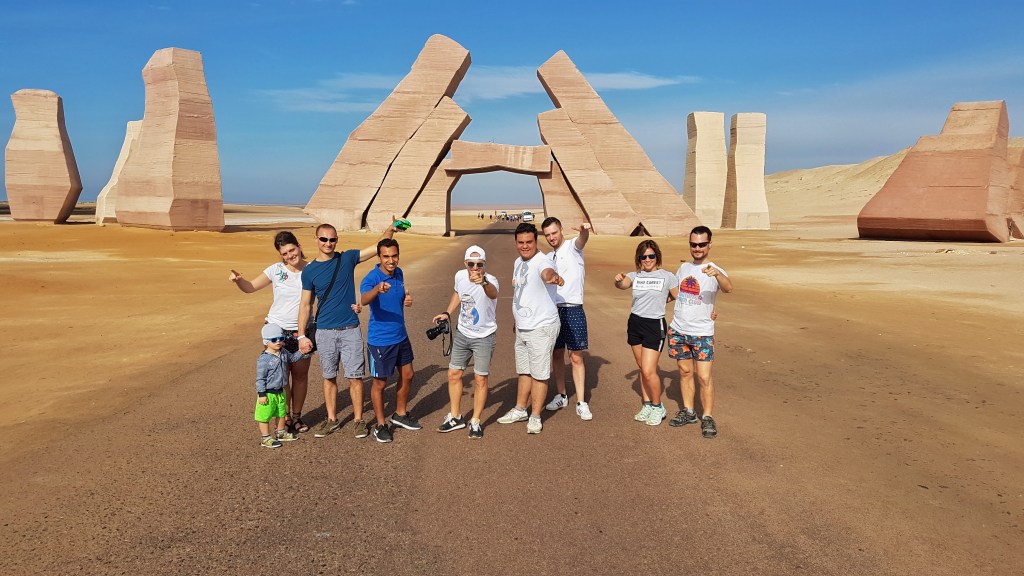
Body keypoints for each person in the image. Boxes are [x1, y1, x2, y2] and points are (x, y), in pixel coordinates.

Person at [297, 222, 397, 440]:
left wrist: (390, 229)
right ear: (316, 239)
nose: (328, 243)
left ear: (337, 240)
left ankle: (358, 420)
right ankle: (332, 419)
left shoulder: (347, 258)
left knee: (355, 377)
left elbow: (376, 247)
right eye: (324, 239)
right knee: (329, 376)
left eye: (332, 239)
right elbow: (305, 304)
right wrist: (301, 335)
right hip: (325, 330)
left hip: (350, 329)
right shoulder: (309, 271)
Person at [229, 231, 313, 433]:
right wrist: (239, 280)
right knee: (280, 376)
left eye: (292, 250)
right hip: (277, 330)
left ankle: (297, 417)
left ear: (299, 246)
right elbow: (250, 287)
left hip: (302, 330)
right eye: (285, 253)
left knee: (300, 375)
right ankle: (284, 418)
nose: (290, 255)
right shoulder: (276, 270)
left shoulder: (312, 269)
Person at [497, 223, 564, 434]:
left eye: (529, 242)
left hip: (541, 327)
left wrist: (552, 277)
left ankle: (535, 416)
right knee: (524, 371)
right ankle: (520, 409)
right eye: (521, 242)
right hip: (524, 326)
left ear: (536, 241)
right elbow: (522, 292)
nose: (525, 246)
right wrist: (518, 319)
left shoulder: (542, 261)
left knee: (539, 374)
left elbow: (546, 273)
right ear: (516, 242)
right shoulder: (518, 261)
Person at [667, 226, 733, 439]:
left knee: (704, 377)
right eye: (693, 244)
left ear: (709, 245)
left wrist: (717, 274)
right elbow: (677, 293)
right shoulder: (684, 268)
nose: (697, 248)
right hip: (679, 329)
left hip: (702, 332)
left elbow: (728, 288)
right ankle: (688, 412)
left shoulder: (715, 270)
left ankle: (707, 416)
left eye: (702, 244)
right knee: (685, 372)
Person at [431, 245, 500, 439]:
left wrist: (483, 282)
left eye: (479, 264)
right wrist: (447, 312)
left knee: (480, 379)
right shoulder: (460, 276)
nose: (475, 268)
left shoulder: (491, 280)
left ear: (484, 264)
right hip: (462, 333)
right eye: (471, 264)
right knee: (453, 374)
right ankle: (455, 417)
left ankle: (475, 421)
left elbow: (493, 293)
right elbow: (458, 293)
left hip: (484, 336)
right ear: (465, 263)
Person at [359, 238, 421, 443]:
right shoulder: (372, 278)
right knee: (380, 382)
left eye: (394, 256)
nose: (391, 260)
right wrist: (377, 289)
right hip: (381, 340)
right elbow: (364, 300)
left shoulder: (399, 273)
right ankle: (380, 425)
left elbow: (398, 296)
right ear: (379, 257)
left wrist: (406, 299)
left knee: (408, 374)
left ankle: (400, 414)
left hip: (400, 335)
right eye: (386, 256)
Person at [614, 240, 679, 426]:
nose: (648, 259)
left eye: (651, 256)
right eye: (644, 256)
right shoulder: (635, 275)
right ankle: (647, 404)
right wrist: (617, 280)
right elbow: (623, 285)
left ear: (657, 256)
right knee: (642, 368)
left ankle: (658, 407)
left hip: (654, 325)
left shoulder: (667, 276)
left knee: (649, 370)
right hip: (635, 323)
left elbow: (678, 296)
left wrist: (663, 300)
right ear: (639, 258)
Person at [541, 217, 593, 420]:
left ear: (561, 230)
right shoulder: (548, 257)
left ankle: (581, 402)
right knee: (556, 354)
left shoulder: (573, 247)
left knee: (576, 357)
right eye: (548, 235)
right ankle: (561, 395)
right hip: (553, 311)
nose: (552, 237)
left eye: (554, 233)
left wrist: (584, 230)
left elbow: (582, 239)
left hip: (573, 309)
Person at [254, 324, 304, 448]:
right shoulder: (263, 360)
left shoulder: (283, 352)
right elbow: (260, 379)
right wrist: (262, 394)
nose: (278, 342)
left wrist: (301, 352)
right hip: (268, 393)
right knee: (264, 416)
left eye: (281, 339)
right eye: (274, 339)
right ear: (266, 341)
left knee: (282, 414)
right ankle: (265, 437)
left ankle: (281, 433)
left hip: (280, 391)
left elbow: (292, 358)